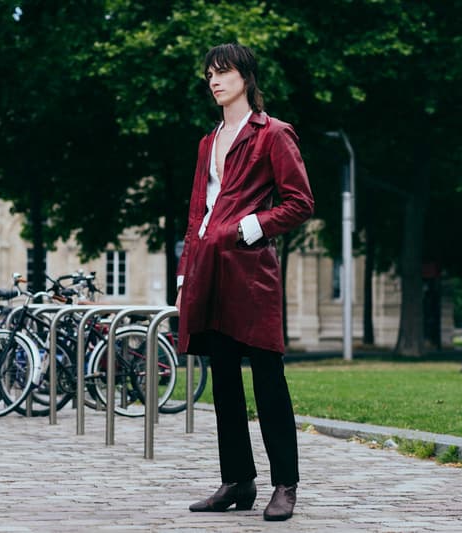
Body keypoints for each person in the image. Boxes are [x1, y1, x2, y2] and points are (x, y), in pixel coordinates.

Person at [175, 43, 314, 522]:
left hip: (251, 276)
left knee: (268, 380)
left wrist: (252, 226)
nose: (214, 81)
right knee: (224, 382)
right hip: (208, 273)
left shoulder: (274, 134)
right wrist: (185, 269)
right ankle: (237, 480)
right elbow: (199, 211)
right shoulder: (207, 140)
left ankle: (285, 485)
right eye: (209, 74)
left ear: (246, 77)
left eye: (224, 72)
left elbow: (299, 202)